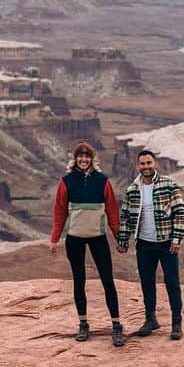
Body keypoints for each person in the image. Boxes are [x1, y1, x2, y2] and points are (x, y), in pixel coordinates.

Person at [50, 141, 125, 347]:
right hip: (74, 238)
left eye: (87, 156)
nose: (84, 160)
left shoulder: (103, 181)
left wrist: (119, 237)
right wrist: (55, 238)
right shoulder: (66, 181)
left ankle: (116, 325)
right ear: (75, 159)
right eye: (80, 156)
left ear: (92, 159)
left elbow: (112, 212)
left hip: (98, 237)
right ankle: (83, 323)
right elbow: (60, 211)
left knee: (107, 280)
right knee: (79, 281)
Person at [117, 149, 184, 340]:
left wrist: (177, 239)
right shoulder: (133, 189)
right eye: (142, 164)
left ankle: (176, 323)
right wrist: (123, 241)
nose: (146, 167)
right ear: (138, 165)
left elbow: (179, 212)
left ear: (154, 164)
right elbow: (126, 218)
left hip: (166, 244)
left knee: (172, 282)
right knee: (147, 282)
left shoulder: (169, 185)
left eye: (149, 163)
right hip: (144, 244)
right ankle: (150, 320)